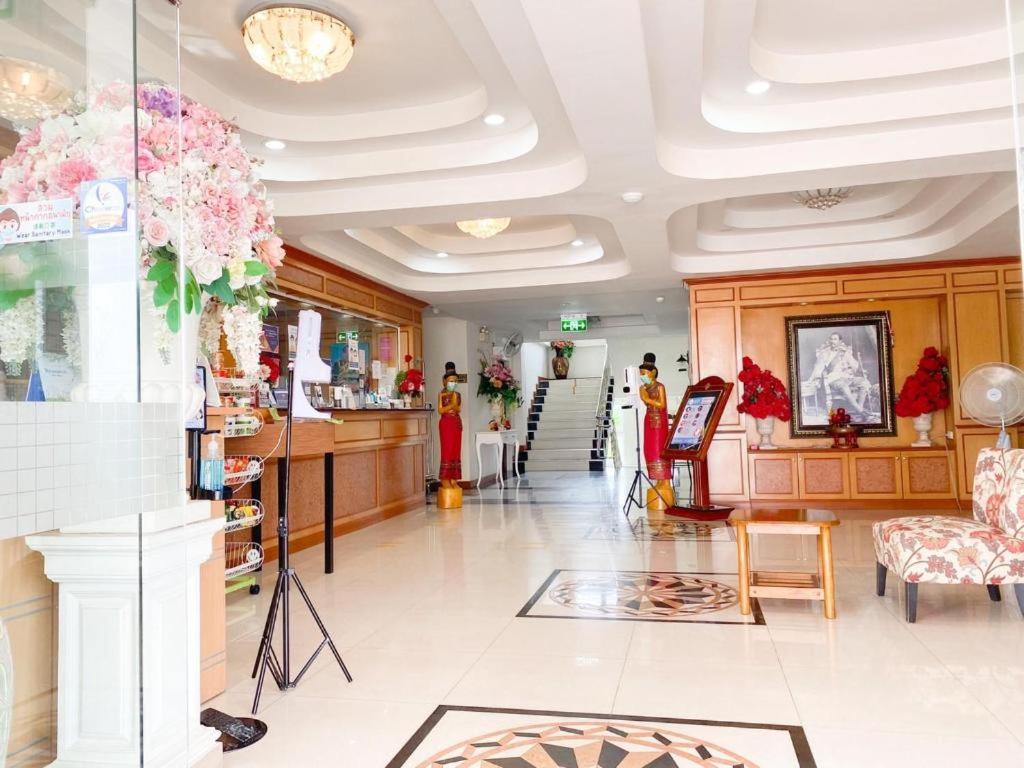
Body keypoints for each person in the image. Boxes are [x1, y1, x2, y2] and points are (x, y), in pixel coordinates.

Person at [802, 331, 872, 417]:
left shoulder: (845, 352)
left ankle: (859, 408)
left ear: (840, 341)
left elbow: (855, 365)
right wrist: (811, 379)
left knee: (863, 382)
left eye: (835, 339)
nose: (832, 341)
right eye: (831, 339)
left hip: (847, 377)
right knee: (843, 386)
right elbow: (818, 368)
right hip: (833, 378)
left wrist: (861, 368)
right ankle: (859, 410)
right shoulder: (824, 353)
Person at [639, 352, 674, 509]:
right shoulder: (644, 388)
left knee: (660, 449)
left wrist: (647, 399)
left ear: (652, 373)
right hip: (649, 421)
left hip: (659, 423)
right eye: (641, 374)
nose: (642, 376)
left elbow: (662, 404)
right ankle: (658, 480)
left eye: (644, 373)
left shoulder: (660, 387)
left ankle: (665, 482)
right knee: (650, 450)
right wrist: (644, 396)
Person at [438, 361, 463, 507]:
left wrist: (453, 405)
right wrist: (452, 405)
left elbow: (458, 408)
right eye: (450, 380)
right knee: (446, 450)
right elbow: (441, 410)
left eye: (455, 381)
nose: (453, 383)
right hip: (445, 424)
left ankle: (454, 478)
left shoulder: (457, 394)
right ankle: (445, 478)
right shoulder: (441, 394)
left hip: (456, 424)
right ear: (445, 381)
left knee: (455, 450)